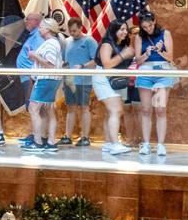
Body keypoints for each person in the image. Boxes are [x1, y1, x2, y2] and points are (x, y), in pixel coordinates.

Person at [132, 10, 176, 156]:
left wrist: (160, 50)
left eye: (150, 26)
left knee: (160, 109)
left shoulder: (165, 34)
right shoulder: (139, 37)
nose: (148, 29)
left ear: (154, 21)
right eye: (145, 27)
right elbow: (137, 60)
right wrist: (146, 54)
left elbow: (170, 57)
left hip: (162, 73)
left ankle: (160, 144)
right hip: (145, 72)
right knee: (145, 109)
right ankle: (145, 143)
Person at [93, 19, 137, 156]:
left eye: (126, 29)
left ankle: (108, 142)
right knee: (116, 111)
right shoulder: (107, 44)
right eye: (121, 29)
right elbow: (106, 64)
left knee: (110, 112)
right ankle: (114, 144)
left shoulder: (123, 44)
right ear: (114, 30)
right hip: (104, 79)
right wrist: (123, 55)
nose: (125, 32)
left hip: (117, 80)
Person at [26, 18, 63, 151]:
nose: (39, 29)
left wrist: (34, 56)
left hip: (46, 79)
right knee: (49, 111)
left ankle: (38, 142)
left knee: (33, 108)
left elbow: (49, 64)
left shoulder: (51, 44)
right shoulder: (53, 42)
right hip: (52, 79)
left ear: (48, 29)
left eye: (41, 27)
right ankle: (51, 141)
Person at [61, 17, 97, 146]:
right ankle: (68, 136)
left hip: (83, 80)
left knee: (84, 108)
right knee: (70, 108)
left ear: (81, 27)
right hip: (69, 80)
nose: (72, 33)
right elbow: (64, 60)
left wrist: (83, 66)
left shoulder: (89, 41)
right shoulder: (66, 41)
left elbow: (96, 60)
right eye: (70, 31)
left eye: (75, 31)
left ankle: (85, 137)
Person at [15, 11, 45, 145]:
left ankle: (38, 137)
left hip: (31, 78)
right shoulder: (32, 35)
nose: (26, 21)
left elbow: (40, 59)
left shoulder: (38, 37)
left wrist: (33, 79)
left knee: (35, 108)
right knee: (34, 108)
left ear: (37, 22)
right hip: (27, 77)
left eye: (28, 19)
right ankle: (36, 134)